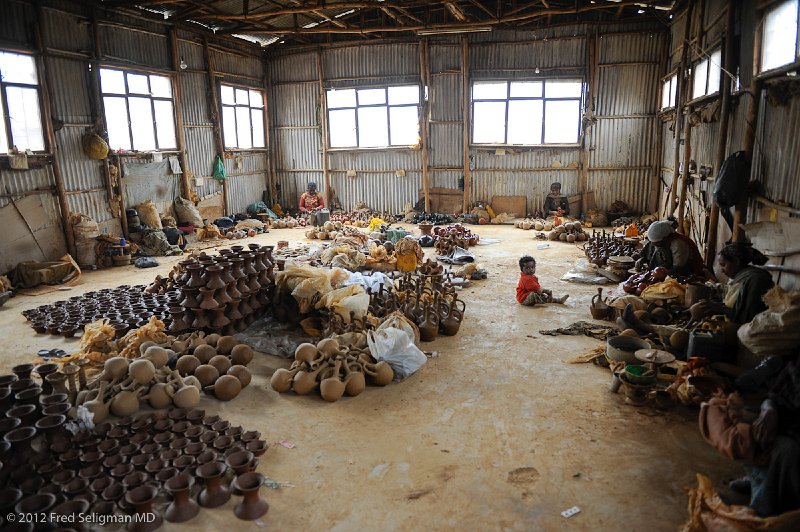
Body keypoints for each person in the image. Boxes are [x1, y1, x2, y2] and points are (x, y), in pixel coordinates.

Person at [700, 357, 800, 517]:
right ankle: (759, 478)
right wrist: (769, 406)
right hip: (786, 414)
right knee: (719, 412)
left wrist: (781, 427)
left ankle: (763, 508)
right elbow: (780, 387)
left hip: (794, 432)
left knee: (784, 449)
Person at [692, 242, 774, 325]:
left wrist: (719, 308)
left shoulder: (755, 280)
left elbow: (748, 319)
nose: (721, 270)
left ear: (736, 261)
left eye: (723, 265)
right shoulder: (740, 279)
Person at [637, 220, 704, 277]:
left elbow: (678, 269)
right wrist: (642, 259)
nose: (654, 245)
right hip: (667, 270)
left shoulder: (678, 243)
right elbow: (650, 251)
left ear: (665, 238)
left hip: (686, 273)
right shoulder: (659, 241)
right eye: (653, 242)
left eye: (657, 243)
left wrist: (657, 274)